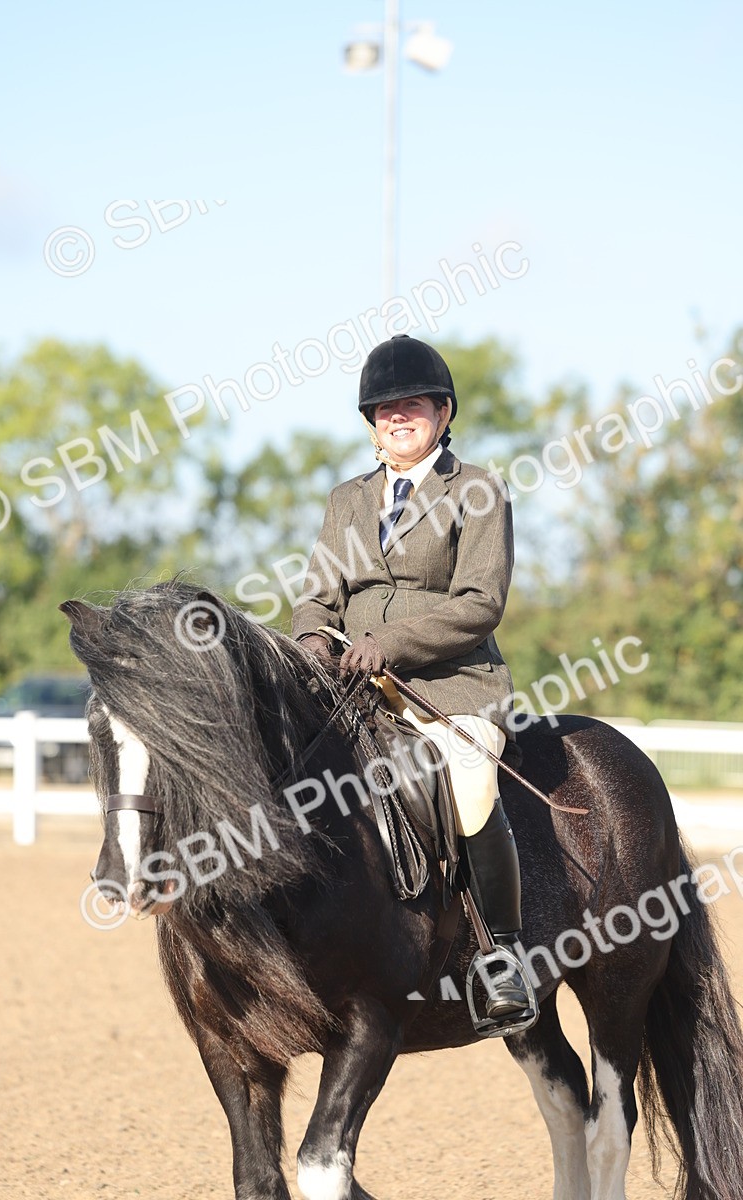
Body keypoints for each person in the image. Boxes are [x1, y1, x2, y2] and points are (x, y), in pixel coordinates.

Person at [292, 333, 528, 1021]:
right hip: (350, 683)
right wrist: (310, 636)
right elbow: (316, 593)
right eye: (385, 409)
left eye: (413, 405)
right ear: (372, 423)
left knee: (470, 779)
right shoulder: (347, 500)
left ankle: (502, 956)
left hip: (449, 684)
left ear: (444, 412)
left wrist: (386, 642)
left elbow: (482, 603)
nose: (398, 417)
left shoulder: (478, 490)